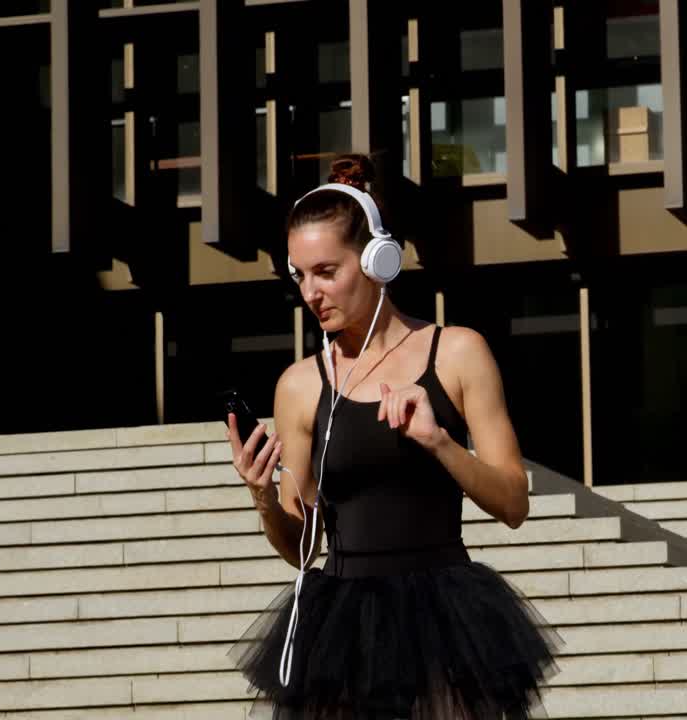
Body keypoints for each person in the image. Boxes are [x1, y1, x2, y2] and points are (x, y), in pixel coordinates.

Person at [224, 154, 562, 719]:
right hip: (339, 629)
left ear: (379, 262)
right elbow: (300, 550)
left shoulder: (457, 352)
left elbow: (514, 503)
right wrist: (263, 496)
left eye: (327, 272)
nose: (311, 292)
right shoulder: (299, 385)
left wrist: (439, 443)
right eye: (299, 275)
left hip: (445, 620)